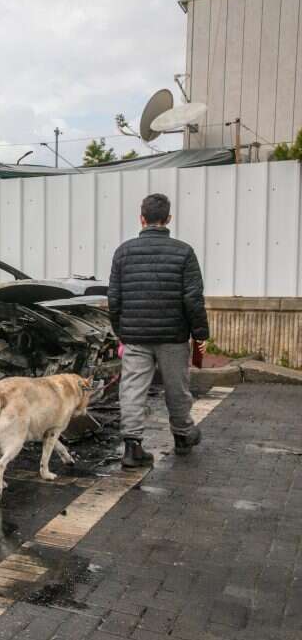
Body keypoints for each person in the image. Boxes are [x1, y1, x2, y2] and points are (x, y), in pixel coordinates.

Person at [107, 193, 209, 468]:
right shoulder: (184, 252)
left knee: (132, 389)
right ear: (169, 219)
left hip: (135, 336)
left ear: (142, 219)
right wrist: (200, 334)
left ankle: (132, 448)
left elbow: (114, 298)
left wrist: (120, 330)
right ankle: (183, 436)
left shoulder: (123, 252)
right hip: (173, 336)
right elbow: (193, 298)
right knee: (177, 388)